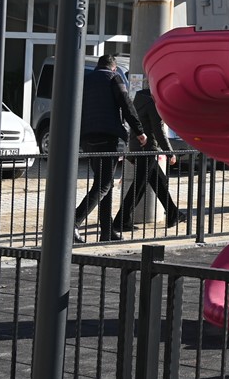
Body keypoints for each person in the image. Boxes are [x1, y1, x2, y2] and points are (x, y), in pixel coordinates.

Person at [72, 54, 139, 243]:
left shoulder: (85, 80)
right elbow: (126, 104)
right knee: (104, 184)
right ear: (114, 67)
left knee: (104, 183)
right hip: (107, 138)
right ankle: (73, 222)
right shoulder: (114, 78)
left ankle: (107, 231)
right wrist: (139, 131)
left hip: (87, 139)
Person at [113, 87, 187, 233]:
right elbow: (158, 130)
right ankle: (121, 221)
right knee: (138, 187)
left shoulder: (139, 98)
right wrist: (169, 153)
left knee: (159, 182)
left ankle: (173, 214)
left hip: (139, 147)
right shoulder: (152, 102)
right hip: (147, 149)